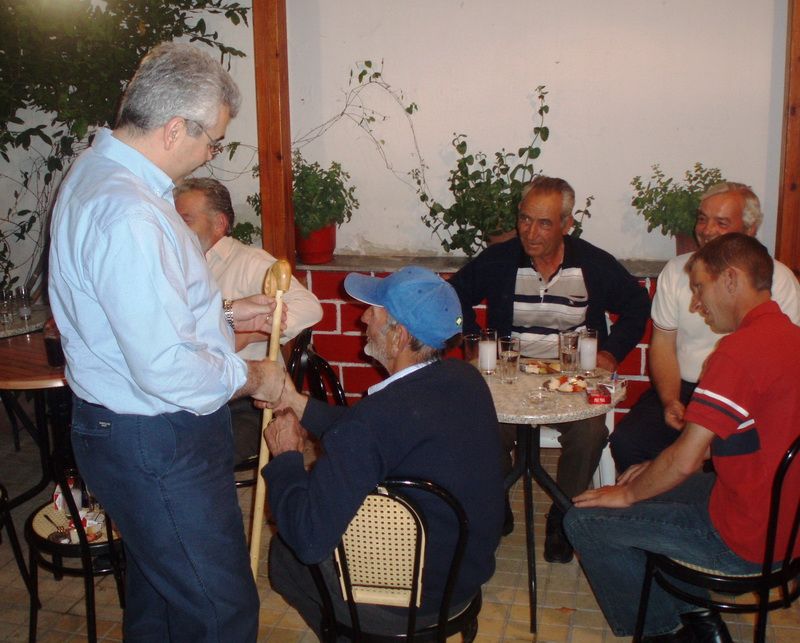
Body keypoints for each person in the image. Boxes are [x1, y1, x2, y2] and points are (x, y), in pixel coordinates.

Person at [48, 43, 286, 642]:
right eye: (214, 142)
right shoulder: (129, 212)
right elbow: (164, 366)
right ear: (176, 128)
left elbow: (134, 316)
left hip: (133, 433)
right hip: (157, 439)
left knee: (161, 600)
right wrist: (251, 376)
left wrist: (225, 313)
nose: (211, 155)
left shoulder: (99, 172)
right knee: (220, 612)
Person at [564, 233, 800, 642]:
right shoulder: (790, 337)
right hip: (787, 526)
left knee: (583, 521)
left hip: (745, 541)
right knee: (653, 483)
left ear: (731, 279)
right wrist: (653, 473)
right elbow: (743, 440)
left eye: (700, 287)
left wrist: (629, 494)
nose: (695, 303)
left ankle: (663, 631)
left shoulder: (737, 353)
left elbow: (686, 459)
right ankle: (702, 621)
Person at [263, 266, 504, 637]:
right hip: (462, 581)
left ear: (398, 336)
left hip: (407, 605)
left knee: (285, 553)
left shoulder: (373, 422)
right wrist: (297, 403)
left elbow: (309, 540)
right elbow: (376, 432)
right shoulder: (466, 379)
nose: (362, 318)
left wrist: (287, 457)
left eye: (372, 312)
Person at [448, 175, 650, 563]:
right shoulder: (500, 260)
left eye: (544, 223)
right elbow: (452, 294)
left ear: (566, 225)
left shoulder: (592, 263)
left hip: (571, 379)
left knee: (591, 431)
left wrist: (611, 353)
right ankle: (496, 502)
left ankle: (563, 514)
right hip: (511, 377)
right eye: (525, 219)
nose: (530, 232)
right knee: (479, 423)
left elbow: (637, 305)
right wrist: (474, 340)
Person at [610, 182, 800, 474]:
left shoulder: (780, 279)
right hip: (684, 388)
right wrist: (671, 401)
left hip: (746, 400)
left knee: (721, 457)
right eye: (702, 219)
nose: (707, 230)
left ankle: (691, 496)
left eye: (721, 222)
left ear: (749, 230)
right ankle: (658, 500)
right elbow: (663, 345)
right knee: (628, 442)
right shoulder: (676, 270)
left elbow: (781, 364)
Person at [174, 177, 323, 463]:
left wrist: (250, 333)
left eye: (186, 219)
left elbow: (309, 307)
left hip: (247, 401)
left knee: (186, 455)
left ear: (219, 223)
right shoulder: (175, 265)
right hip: (193, 393)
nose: (176, 227)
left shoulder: (249, 262)